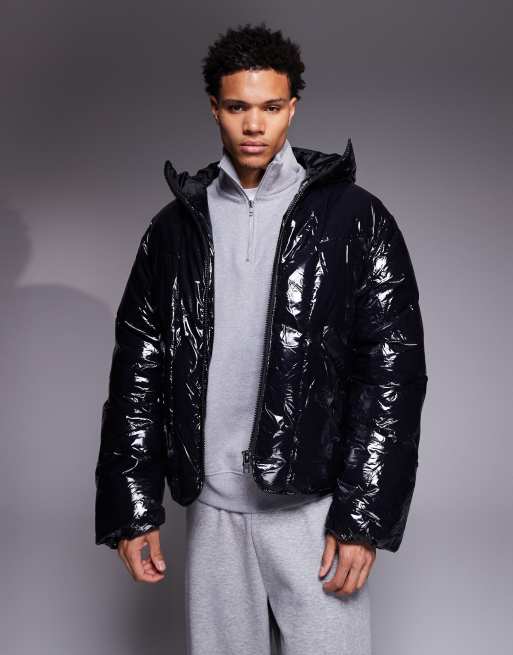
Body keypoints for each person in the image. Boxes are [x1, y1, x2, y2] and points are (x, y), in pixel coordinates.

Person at [94, 21, 428, 655]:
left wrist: (362, 515)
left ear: (292, 108)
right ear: (214, 108)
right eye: (238, 107)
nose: (254, 125)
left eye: (271, 108)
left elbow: (391, 373)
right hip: (213, 510)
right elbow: (138, 371)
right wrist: (132, 507)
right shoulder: (175, 229)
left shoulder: (355, 218)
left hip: (314, 509)